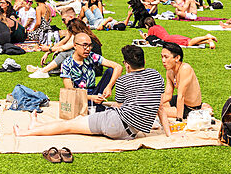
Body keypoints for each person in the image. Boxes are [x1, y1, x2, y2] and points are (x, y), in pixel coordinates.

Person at [17, 45, 168, 139]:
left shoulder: (123, 80)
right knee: (75, 122)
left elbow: (122, 107)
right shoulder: (156, 76)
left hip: (116, 125)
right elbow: (159, 106)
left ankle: (29, 131)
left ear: (127, 65)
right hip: (131, 132)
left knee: (70, 125)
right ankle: (35, 127)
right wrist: (168, 134)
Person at [58, 32, 123, 108]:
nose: (88, 49)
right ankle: (94, 105)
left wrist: (109, 86)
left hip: (94, 92)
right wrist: (91, 98)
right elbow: (70, 91)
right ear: (75, 45)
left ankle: (96, 103)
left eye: (90, 45)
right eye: (84, 45)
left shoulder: (92, 56)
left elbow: (118, 67)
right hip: (78, 97)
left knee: (111, 71)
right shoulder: (67, 64)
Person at [159, 42, 205, 125]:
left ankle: (201, 108)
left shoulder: (185, 69)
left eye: (166, 57)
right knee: (156, 104)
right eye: (162, 57)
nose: (163, 61)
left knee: (158, 111)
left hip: (190, 107)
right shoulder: (169, 72)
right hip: (178, 100)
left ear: (177, 58)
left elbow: (181, 96)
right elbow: (168, 95)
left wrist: (179, 119)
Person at [141, 16, 217, 49]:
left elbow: (149, 40)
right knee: (190, 42)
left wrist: (144, 37)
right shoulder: (158, 26)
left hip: (169, 40)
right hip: (172, 37)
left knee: (189, 43)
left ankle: (206, 36)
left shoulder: (151, 29)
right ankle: (208, 41)